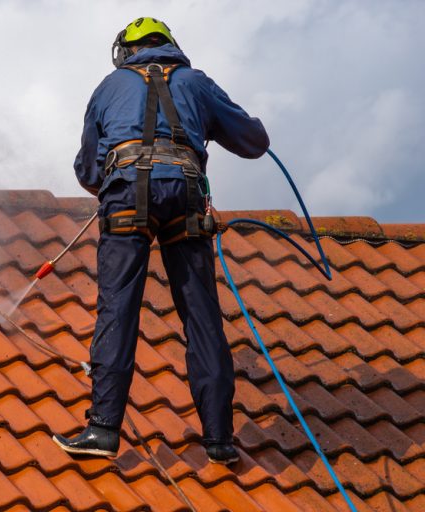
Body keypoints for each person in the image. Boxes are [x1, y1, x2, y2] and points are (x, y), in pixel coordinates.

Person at [52, 16, 269, 464]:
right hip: (186, 195)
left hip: (128, 195)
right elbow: (253, 142)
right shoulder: (196, 82)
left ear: (126, 51)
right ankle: (219, 439)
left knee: (118, 308)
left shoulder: (108, 87)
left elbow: (89, 171)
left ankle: (103, 430)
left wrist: (120, 178)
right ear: (169, 46)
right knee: (202, 314)